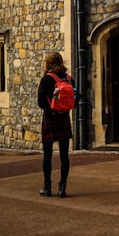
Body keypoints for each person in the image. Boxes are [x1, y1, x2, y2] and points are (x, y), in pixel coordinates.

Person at [37, 51, 74, 197]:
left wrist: (50, 106)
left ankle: (47, 187)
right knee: (64, 155)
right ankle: (62, 188)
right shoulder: (69, 79)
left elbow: (40, 102)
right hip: (64, 118)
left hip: (50, 119)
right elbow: (74, 100)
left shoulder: (46, 79)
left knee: (47, 155)